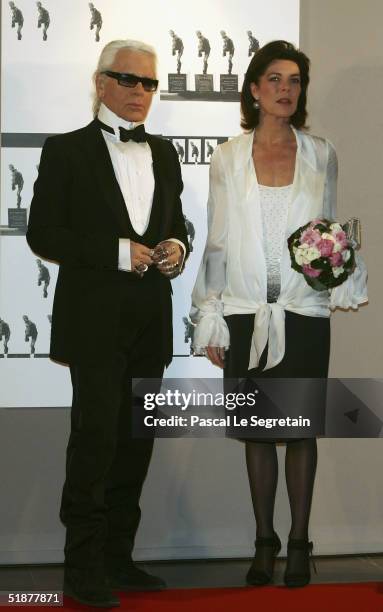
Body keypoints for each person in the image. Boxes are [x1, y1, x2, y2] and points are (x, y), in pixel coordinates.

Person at [191, 40, 367, 589]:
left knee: (300, 430)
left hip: (304, 312)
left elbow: (330, 229)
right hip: (245, 314)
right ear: (254, 88)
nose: (286, 89)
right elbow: (217, 241)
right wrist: (211, 314)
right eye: (274, 79)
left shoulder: (322, 153)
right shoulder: (225, 155)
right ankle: (264, 541)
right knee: (258, 433)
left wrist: (340, 272)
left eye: (294, 80)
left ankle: (300, 542)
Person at [27, 39, 189, 608]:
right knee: (94, 441)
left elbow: (178, 223)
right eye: (128, 80)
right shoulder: (66, 150)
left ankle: (119, 559)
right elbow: (43, 234)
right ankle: (83, 567)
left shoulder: (165, 153)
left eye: (149, 83)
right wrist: (117, 251)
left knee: (134, 443)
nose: (140, 92)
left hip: (152, 322)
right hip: (94, 322)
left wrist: (175, 244)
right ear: (100, 84)